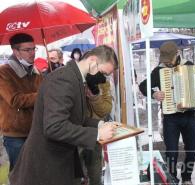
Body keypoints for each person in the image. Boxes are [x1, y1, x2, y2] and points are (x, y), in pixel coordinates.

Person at [9, 45, 119, 185]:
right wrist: (97, 134)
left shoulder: (76, 78)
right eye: (103, 73)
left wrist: (99, 124)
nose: (102, 78)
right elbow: (54, 126)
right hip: (45, 166)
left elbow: (75, 117)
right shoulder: (63, 79)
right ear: (92, 60)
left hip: (59, 161)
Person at [139, 41, 195, 185]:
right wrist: (154, 94)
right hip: (170, 118)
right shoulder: (159, 71)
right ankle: (173, 179)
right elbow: (143, 86)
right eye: (165, 60)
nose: (168, 63)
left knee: (192, 150)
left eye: (169, 59)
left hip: (188, 116)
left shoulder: (189, 66)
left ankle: (187, 177)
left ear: (177, 54)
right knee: (172, 153)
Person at [0, 33, 43, 171]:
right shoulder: (4, 72)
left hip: (36, 131)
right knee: (19, 174)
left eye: (33, 49)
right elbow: (15, 100)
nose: (32, 53)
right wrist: (44, 95)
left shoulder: (36, 72)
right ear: (15, 51)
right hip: (15, 134)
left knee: (35, 171)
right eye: (27, 50)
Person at [74, 55, 113, 185]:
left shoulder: (103, 82)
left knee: (95, 175)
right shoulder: (74, 80)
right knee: (75, 176)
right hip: (76, 135)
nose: (102, 75)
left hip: (96, 133)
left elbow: (105, 110)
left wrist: (95, 97)